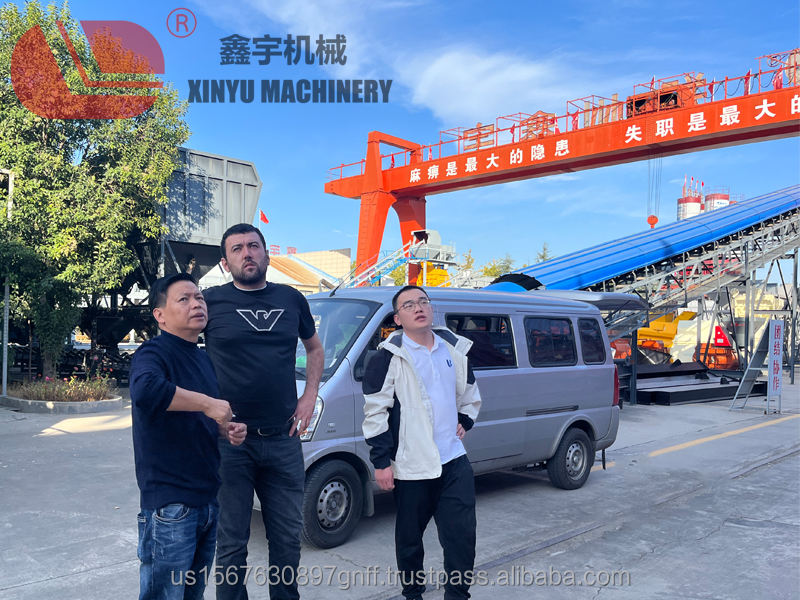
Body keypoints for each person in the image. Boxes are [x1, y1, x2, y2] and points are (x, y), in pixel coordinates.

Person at [203, 223, 324, 600]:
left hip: (283, 439)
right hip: (230, 443)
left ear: (267, 254)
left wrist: (310, 395)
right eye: (237, 249)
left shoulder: (292, 299)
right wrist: (208, 412)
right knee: (231, 543)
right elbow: (183, 355)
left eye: (253, 246)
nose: (247, 253)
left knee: (287, 539)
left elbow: (315, 348)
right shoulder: (209, 302)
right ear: (226, 263)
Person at [130, 272, 247, 600]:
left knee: (192, 594)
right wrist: (209, 404)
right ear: (160, 315)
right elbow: (146, 390)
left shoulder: (202, 358)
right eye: (184, 299)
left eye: (199, 297)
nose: (197, 304)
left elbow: (196, 415)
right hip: (171, 504)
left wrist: (225, 429)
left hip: (207, 500)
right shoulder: (153, 353)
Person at [362, 285, 482, 600]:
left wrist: (466, 419)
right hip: (412, 465)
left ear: (431, 308)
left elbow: (470, 392)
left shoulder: (453, 350)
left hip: (454, 461)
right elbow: (375, 413)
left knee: (461, 537)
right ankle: (413, 594)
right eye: (409, 304)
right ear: (397, 318)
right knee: (410, 539)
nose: (418, 307)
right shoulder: (387, 358)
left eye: (423, 301)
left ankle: (458, 595)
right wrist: (381, 462)